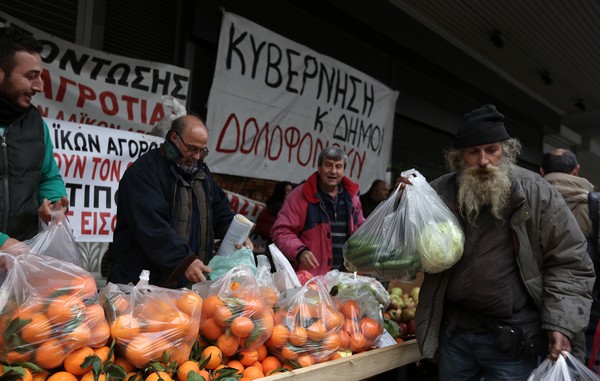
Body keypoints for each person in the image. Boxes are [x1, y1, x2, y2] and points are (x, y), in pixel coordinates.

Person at [413, 104, 594, 380]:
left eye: (492, 150)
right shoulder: (438, 193)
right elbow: (402, 248)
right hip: (455, 336)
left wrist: (561, 323)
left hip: (512, 340)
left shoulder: (537, 194)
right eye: (474, 152)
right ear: (458, 157)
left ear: (505, 151)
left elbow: (569, 261)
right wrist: (403, 201)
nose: (483, 161)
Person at [108, 114, 252, 288]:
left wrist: (234, 231)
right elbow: (153, 228)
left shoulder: (201, 172)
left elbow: (219, 208)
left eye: (202, 150)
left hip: (186, 283)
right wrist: (184, 261)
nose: (198, 157)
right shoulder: (143, 173)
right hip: (142, 283)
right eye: (192, 148)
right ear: (174, 138)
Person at [0, 26, 68, 256]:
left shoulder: (35, 123)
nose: (39, 86)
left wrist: (54, 200)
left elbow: (48, 176)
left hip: (17, 261)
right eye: (31, 76)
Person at [539, 148, 600, 363]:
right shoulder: (593, 204)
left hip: (526, 303)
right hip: (576, 300)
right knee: (569, 363)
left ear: (542, 171)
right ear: (576, 171)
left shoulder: (526, 198)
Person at [271, 146, 365, 276]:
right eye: (328, 165)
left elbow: (362, 232)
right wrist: (300, 251)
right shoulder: (300, 195)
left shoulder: (353, 199)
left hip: (345, 279)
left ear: (343, 171)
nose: (333, 171)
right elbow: (281, 231)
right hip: (311, 279)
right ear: (319, 168)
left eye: (338, 167)